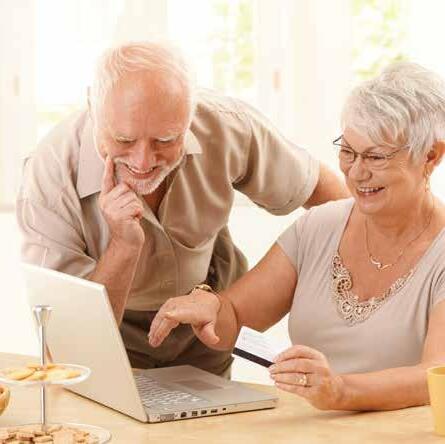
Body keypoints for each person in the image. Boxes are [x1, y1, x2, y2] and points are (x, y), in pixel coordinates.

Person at [17, 41, 348, 377]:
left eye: (165, 140)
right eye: (124, 140)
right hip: (111, 327)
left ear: (190, 116)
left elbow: (320, 190)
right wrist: (124, 245)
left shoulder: (226, 125)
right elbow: (68, 343)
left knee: (217, 413)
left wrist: (363, 282)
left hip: (206, 313)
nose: (143, 162)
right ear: (93, 108)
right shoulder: (50, 175)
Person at [149, 62, 445, 410]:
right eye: (348, 152)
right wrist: (209, 307)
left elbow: (435, 375)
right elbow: (236, 318)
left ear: (431, 155)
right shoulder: (317, 227)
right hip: (309, 429)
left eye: (376, 157)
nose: (357, 172)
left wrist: (340, 391)